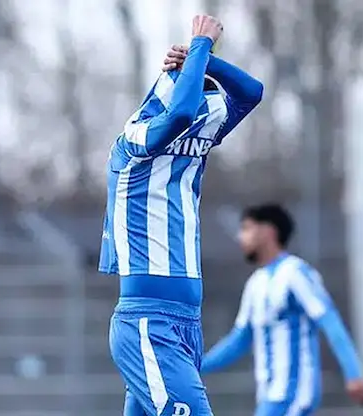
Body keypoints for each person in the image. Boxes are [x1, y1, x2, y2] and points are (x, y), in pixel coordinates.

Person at [99, 14, 264, 416]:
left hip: (186, 322)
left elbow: (252, 92)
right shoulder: (133, 140)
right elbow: (180, 115)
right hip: (147, 322)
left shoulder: (194, 135)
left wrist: (203, 61)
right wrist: (202, 43)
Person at [199, 204, 363, 416]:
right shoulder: (256, 283)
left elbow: (330, 321)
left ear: (268, 231)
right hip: (269, 396)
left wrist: (354, 374)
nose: (240, 237)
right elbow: (239, 340)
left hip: (294, 392)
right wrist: (196, 367)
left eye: (246, 228)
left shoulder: (295, 273)